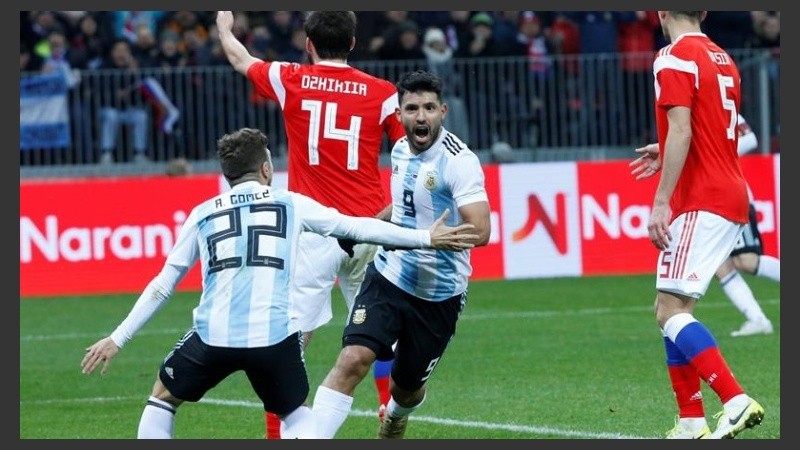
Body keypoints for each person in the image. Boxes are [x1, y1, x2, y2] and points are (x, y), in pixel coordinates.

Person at [79, 127, 477, 439]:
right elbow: (358, 227)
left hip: (212, 336)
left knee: (162, 398)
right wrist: (427, 237)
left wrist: (117, 338)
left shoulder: (201, 213)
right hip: (274, 340)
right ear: (267, 169)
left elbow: (163, 284)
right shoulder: (291, 203)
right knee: (296, 414)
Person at [216, 11, 407, 438]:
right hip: (371, 225)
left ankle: (277, 433)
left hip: (314, 229)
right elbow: (409, 150)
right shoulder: (382, 93)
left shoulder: (291, 79)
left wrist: (225, 29)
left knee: (291, 337)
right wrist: (397, 208)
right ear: (353, 43)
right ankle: (387, 409)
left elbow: (240, 60)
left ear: (309, 43)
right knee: (377, 331)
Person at [310, 69, 492, 439]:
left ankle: (396, 414)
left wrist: (438, 238)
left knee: (405, 389)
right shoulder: (398, 151)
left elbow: (482, 230)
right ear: (399, 113)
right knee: (352, 360)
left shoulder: (459, 161)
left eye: (428, 108)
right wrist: (365, 233)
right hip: (389, 277)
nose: (420, 116)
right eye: (412, 108)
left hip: (439, 294)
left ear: (443, 111)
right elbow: (401, 207)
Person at [628, 11, 764, 439]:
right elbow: (709, 130)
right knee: (676, 310)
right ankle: (690, 421)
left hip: (700, 197)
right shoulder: (722, 56)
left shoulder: (672, 56)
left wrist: (661, 201)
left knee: (668, 311)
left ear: (660, 13)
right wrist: (665, 145)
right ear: (704, 12)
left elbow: (683, 129)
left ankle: (736, 399)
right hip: (731, 192)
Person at [633, 113, 779, 338]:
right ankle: (757, 319)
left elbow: (750, 138)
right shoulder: (693, 103)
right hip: (711, 195)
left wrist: (714, 155)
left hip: (725, 195)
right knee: (721, 267)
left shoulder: (714, 96)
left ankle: (757, 319)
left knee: (746, 261)